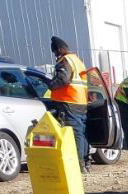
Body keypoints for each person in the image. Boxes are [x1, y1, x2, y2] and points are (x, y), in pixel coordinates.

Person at [48, 36, 89, 171]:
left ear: (60, 49)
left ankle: (79, 164)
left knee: (74, 133)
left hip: (68, 101)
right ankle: (85, 162)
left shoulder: (65, 61)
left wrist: (50, 85)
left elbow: (63, 79)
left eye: (55, 52)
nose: (55, 55)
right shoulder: (77, 61)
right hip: (80, 102)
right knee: (81, 132)